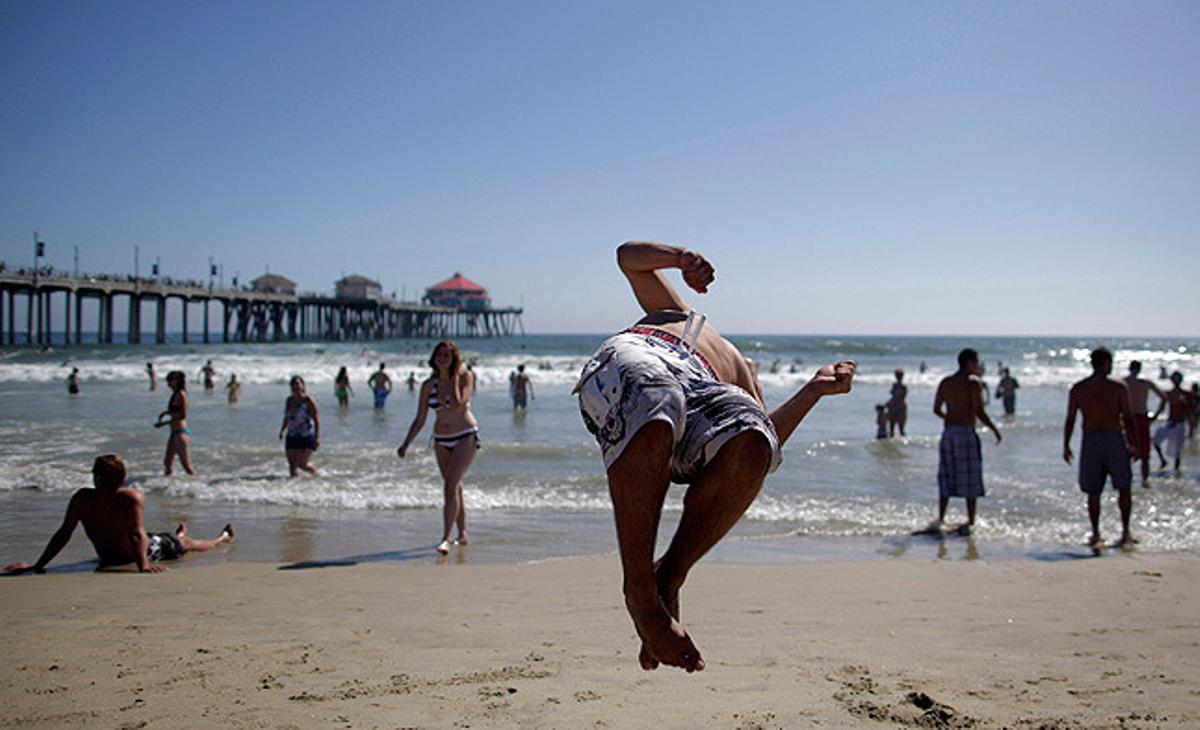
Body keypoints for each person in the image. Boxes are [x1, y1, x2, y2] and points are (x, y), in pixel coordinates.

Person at [573, 241, 854, 673]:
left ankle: (670, 574)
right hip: (646, 357)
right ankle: (642, 592)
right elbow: (627, 258)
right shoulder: (687, 318)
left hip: (702, 396)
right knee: (659, 399)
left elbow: (763, 449)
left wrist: (813, 390)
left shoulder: (741, 386)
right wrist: (680, 257)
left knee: (755, 439)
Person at [2, 455, 233, 575]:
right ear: (122, 478)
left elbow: (137, 534)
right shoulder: (127, 497)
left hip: (143, 550)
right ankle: (180, 534)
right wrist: (38, 565)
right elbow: (135, 532)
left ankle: (220, 538)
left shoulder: (85, 498)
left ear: (97, 478)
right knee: (174, 539)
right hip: (138, 548)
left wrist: (143, 565)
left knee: (184, 544)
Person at [397, 341, 479, 556]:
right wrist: (406, 443)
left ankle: (445, 538)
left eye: (447, 355)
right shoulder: (428, 385)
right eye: (439, 354)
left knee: (450, 486)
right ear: (433, 358)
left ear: (454, 358)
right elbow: (420, 418)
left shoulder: (465, 377)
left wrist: (452, 378)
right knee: (454, 487)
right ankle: (462, 532)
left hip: (465, 436)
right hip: (441, 439)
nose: (442, 358)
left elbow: (460, 403)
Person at [1063, 347, 1139, 550]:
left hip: (1091, 440)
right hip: (1114, 438)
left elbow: (1070, 419)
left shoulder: (1079, 389)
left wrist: (1066, 445)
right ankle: (1125, 532)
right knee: (1123, 487)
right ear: (1105, 363)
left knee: (1093, 491)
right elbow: (1128, 418)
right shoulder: (1118, 387)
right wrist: (1135, 443)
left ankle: (1096, 533)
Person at [933, 349, 1001, 533]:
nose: (979, 366)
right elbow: (979, 411)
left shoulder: (946, 382)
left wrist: (949, 417)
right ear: (969, 363)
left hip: (948, 433)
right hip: (966, 433)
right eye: (977, 362)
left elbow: (936, 409)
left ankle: (941, 519)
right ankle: (970, 522)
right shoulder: (973, 383)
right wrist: (994, 429)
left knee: (947, 476)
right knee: (970, 479)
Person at [1123, 361, 1166, 485]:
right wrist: (1155, 415)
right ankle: (1144, 480)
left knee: (1128, 450)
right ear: (1139, 369)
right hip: (1142, 418)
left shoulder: (1124, 382)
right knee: (1144, 453)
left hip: (1129, 418)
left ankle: (1127, 479)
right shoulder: (1145, 382)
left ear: (1130, 368)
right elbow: (1163, 398)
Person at [154, 371, 195, 476]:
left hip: (181, 433)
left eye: (171, 380)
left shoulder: (181, 394)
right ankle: (168, 486)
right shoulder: (175, 394)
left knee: (186, 464)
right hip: (174, 432)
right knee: (167, 462)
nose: (169, 383)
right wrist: (166, 413)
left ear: (178, 381)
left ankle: (198, 488)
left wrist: (164, 423)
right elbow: (176, 412)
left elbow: (183, 415)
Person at [279, 375, 320, 477]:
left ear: (302, 385)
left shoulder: (308, 400)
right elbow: (287, 417)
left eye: (298, 384)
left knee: (302, 464)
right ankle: (294, 488)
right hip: (292, 434)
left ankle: (318, 476)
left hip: (305, 435)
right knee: (292, 465)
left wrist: (317, 436)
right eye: (293, 384)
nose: (295, 386)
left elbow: (316, 418)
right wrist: (282, 430)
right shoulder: (289, 400)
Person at [1152, 372, 1192, 473]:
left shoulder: (1186, 394)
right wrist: (1153, 418)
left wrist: (1192, 425)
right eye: (1174, 379)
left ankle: (1176, 470)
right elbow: (1162, 406)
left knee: (1177, 451)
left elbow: (1190, 410)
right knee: (1155, 441)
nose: (1176, 381)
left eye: (1177, 379)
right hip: (1169, 423)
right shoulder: (1169, 393)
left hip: (1180, 423)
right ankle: (1163, 460)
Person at [887, 369, 907, 436]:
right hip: (897, 406)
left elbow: (900, 397)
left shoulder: (903, 387)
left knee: (899, 428)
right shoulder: (897, 385)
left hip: (898, 406)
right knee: (894, 428)